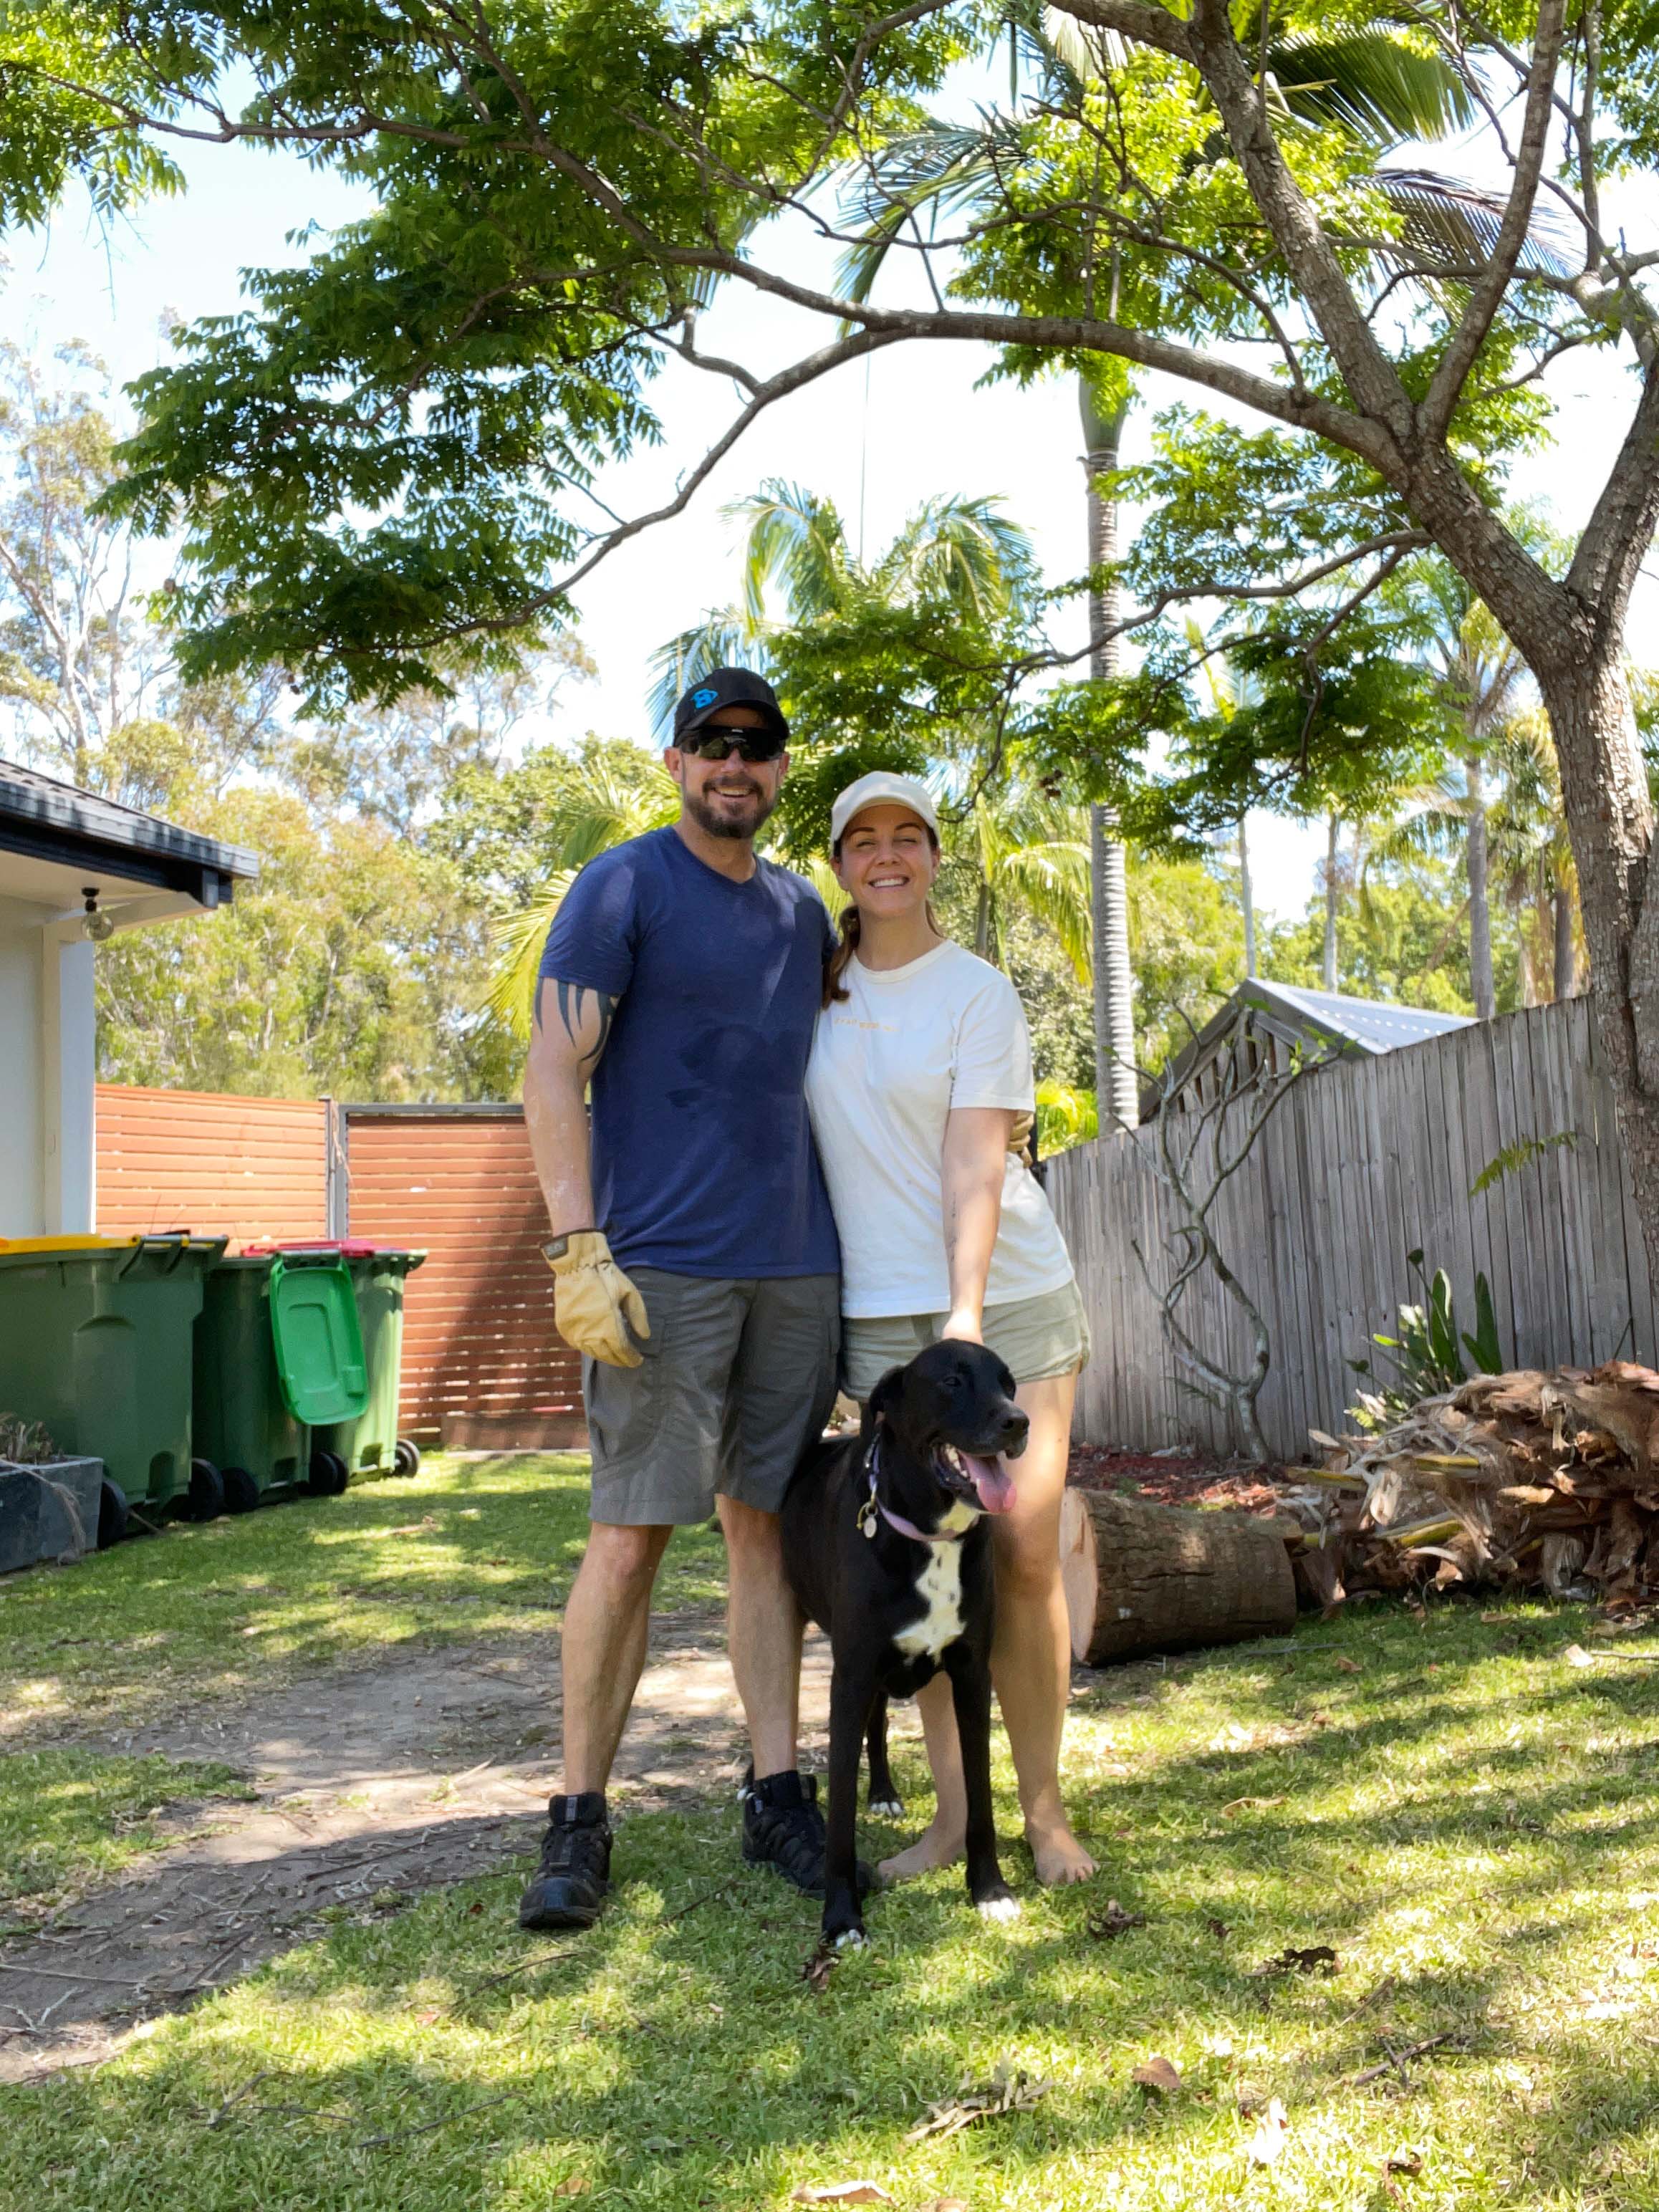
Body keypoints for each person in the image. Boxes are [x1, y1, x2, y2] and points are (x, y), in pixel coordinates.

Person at [516, 668, 843, 1931]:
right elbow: (554, 1070)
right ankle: (578, 1818)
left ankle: (775, 1793)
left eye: (757, 744)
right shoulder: (624, 886)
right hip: (658, 1271)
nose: (734, 763)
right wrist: (576, 1248)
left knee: (763, 1532)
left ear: (779, 768)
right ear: (676, 761)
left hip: (797, 1269)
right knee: (630, 1536)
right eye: (712, 741)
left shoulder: (802, 913)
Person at [804, 770, 1096, 1887]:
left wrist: (966, 1319)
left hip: (1004, 1295)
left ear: (934, 856)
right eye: (863, 840)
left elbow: (977, 1158)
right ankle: (952, 1825)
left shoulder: (978, 993)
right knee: (926, 1548)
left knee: (1020, 1547)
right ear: (840, 864)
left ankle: (1046, 1817)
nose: (887, 855)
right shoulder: (814, 991)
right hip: (884, 1311)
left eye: (908, 837)